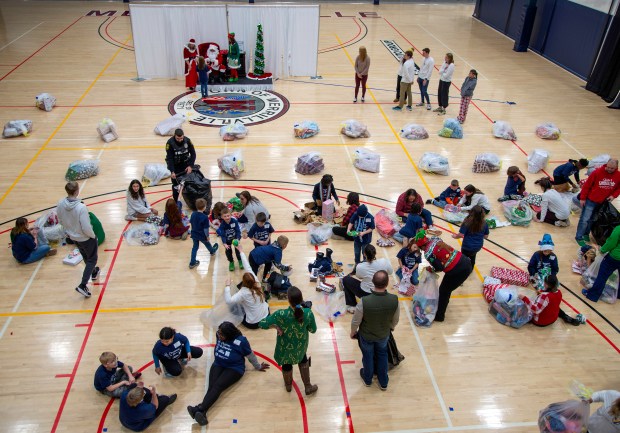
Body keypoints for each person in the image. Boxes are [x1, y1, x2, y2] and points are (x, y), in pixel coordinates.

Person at [187, 322, 269, 426]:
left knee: (218, 386)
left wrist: (258, 366)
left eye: (222, 335)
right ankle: (202, 413)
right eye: (219, 333)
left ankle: (199, 408)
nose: (219, 336)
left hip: (235, 368)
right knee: (211, 387)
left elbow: (250, 355)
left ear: (229, 334)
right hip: (218, 363)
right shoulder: (218, 334)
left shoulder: (241, 341)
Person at [259, 286, 318, 395]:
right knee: (303, 359)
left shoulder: (280, 314)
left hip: (285, 347)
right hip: (300, 347)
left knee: (286, 364)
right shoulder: (308, 313)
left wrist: (275, 327)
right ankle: (308, 386)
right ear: (301, 299)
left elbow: (262, 324)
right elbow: (313, 330)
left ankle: (288, 386)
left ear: (288, 300)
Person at [350, 270, 399, 390]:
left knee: (368, 356)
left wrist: (353, 332)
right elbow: (395, 319)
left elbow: (356, 320)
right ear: (387, 283)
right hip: (383, 335)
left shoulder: (364, 301)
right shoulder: (394, 299)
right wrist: (390, 328)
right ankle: (383, 382)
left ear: (373, 282)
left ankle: (368, 379)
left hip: (366, 336)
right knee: (382, 355)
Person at [415, 230, 472, 322]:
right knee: (445, 289)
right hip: (465, 261)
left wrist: (431, 269)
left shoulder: (428, 253)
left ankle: (439, 316)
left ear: (421, 246)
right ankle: (440, 312)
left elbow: (440, 267)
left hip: (457, 271)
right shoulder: (435, 239)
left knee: (444, 292)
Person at [57, 181, 100, 298]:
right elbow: (86, 226)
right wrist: (93, 236)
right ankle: (83, 285)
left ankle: (94, 272)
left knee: (85, 255)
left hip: (73, 237)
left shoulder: (60, 203)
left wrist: (69, 232)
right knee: (92, 259)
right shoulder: (81, 207)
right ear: (77, 191)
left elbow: (60, 219)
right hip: (85, 237)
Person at [574, 159, 620, 247]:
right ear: (606, 165)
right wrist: (583, 198)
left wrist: (613, 195)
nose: (609, 169)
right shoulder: (597, 172)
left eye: (612, 168)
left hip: (602, 202)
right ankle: (579, 237)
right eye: (608, 167)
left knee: (593, 219)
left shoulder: (618, 175)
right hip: (590, 200)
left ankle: (586, 234)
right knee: (584, 219)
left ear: (616, 168)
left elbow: (619, 188)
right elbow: (587, 186)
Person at [225, 245, 269, 328]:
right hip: (266, 315)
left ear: (244, 282)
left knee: (233, 308)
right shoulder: (257, 282)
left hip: (253, 323)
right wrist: (241, 252)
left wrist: (227, 286)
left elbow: (228, 301)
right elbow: (247, 267)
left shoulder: (243, 292)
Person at [342, 244, 393, 313]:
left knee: (345, 279)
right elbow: (390, 272)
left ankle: (353, 305)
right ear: (375, 253)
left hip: (364, 293)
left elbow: (359, 277)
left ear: (364, 254)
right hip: (380, 291)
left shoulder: (360, 266)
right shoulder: (384, 261)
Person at [582, 224, 620, 302]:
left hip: (615, 258)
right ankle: (618, 294)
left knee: (602, 276)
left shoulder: (619, 229)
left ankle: (593, 295)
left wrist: (602, 250)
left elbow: (611, 243)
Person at [165, 128, 196, 203]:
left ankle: (189, 200)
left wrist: (190, 166)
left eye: (181, 138)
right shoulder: (170, 143)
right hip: (175, 166)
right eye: (178, 138)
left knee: (188, 183)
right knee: (176, 186)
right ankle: (176, 202)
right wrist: (172, 171)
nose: (180, 140)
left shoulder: (187, 141)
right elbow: (170, 158)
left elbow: (193, 154)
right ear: (174, 136)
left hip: (186, 165)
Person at [189, 198, 219, 269]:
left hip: (194, 234)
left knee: (195, 247)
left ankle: (192, 262)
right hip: (202, 235)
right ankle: (212, 251)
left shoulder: (193, 214)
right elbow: (206, 229)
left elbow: (191, 223)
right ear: (204, 207)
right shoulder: (205, 217)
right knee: (207, 244)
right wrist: (207, 236)